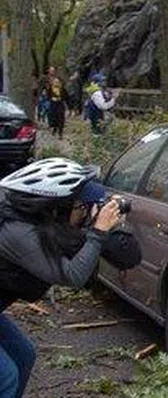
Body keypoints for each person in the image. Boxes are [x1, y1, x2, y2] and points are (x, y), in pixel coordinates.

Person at [0, 158, 132, 397]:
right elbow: (72, 275)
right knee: (6, 377)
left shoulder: (34, 223)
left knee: (23, 356)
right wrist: (98, 233)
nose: (85, 212)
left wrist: (102, 232)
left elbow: (128, 255)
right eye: (81, 206)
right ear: (56, 206)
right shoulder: (16, 232)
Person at [45, 68, 66, 140]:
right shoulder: (48, 81)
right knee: (52, 116)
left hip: (60, 103)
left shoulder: (62, 87)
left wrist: (70, 106)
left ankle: (60, 133)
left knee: (60, 117)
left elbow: (66, 96)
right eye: (51, 70)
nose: (56, 82)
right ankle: (54, 127)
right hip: (52, 103)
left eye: (58, 82)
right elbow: (47, 93)